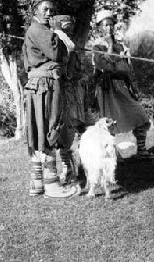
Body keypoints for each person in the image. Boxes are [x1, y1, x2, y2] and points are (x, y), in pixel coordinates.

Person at [22, 0, 79, 197]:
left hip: (43, 85)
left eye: (51, 10)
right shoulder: (38, 30)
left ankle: (37, 184)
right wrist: (60, 35)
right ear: (35, 11)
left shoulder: (40, 31)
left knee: (41, 130)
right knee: (49, 129)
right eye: (45, 9)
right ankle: (52, 185)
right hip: (44, 86)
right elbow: (56, 54)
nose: (49, 13)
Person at [91, 9, 154, 158]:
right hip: (107, 89)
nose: (108, 28)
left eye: (111, 25)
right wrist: (109, 47)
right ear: (99, 28)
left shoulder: (122, 46)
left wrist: (134, 87)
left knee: (141, 118)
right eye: (105, 25)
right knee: (109, 124)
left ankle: (141, 151)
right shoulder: (97, 47)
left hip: (123, 86)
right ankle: (113, 155)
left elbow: (128, 69)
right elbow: (106, 67)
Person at [50, 15, 87, 185]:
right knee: (62, 133)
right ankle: (68, 168)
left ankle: (79, 168)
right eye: (65, 27)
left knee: (75, 130)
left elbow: (77, 71)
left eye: (70, 27)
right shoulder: (56, 44)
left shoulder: (70, 46)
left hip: (74, 94)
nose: (68, 30)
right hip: (60, 94)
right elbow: (64, 71)